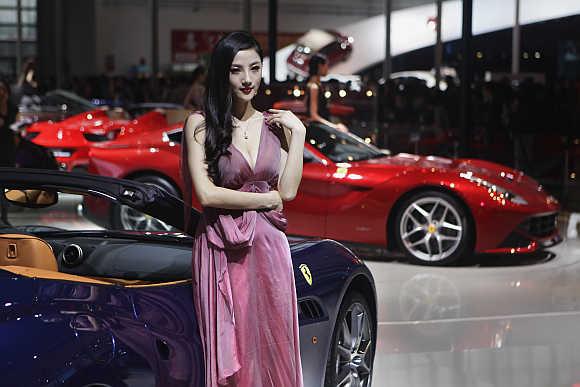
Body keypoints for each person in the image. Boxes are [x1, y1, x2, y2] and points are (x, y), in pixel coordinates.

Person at [181, 31, 305, 386]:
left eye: (255, 68)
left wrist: (298, 136)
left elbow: (290, 190)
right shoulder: (200, 123)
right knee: (231, 340)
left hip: (270, 249)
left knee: (275, 340)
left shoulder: (273, 126)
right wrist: (264, 200)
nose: (248, 79)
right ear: (222, 73)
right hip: (221, 246)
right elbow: (206, 194)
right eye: (237, 70)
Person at [306, 52, 349, 133]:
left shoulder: (314, 85)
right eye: (326, 65)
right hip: (318, 130)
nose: (327, 68)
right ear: (320, 66)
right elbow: (313, 115)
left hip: (321, 126)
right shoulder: (314, 87)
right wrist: (335, 127)